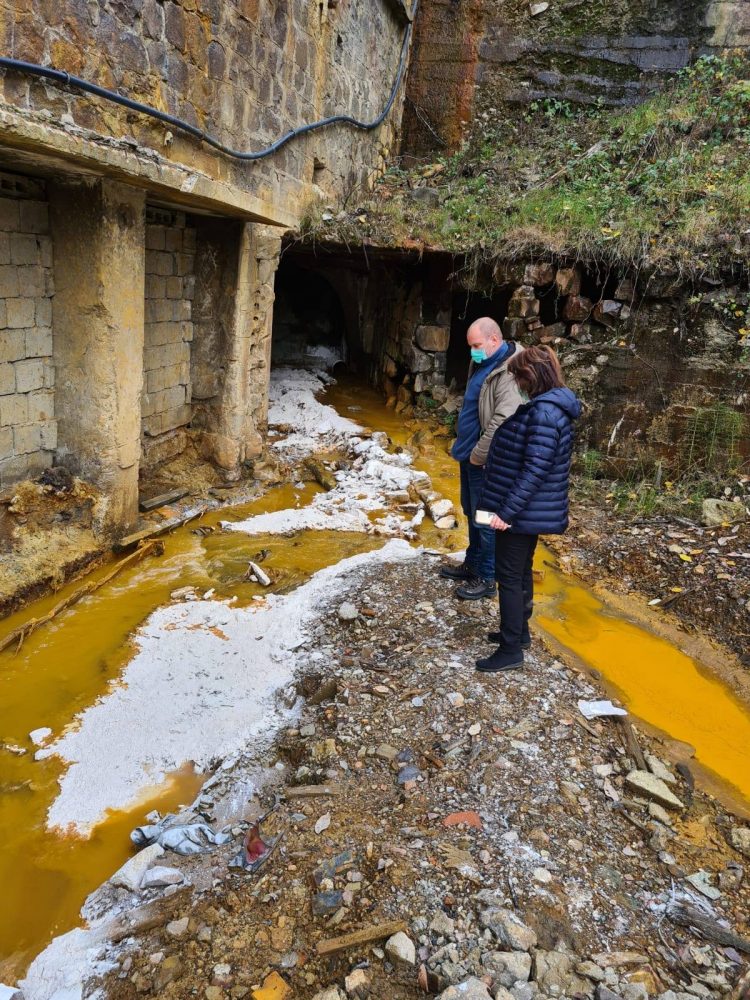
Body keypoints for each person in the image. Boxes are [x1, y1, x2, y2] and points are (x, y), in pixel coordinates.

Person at [475, 345, 581, 673]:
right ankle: (518, 634)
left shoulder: (544, 413)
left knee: (508, 575)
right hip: (528, 510)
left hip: (521, 512)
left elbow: (535, 468)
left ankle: (510, 650)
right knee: (520, 570)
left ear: (532, 375)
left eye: (520, 376)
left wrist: (506, 513)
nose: (518, 383)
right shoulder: (548, 407)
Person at [440, 317, 524, 600]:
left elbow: (503, 419)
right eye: (470, 346)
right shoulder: (484, 361)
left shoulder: (509, 371)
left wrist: (478, 454)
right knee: (470, 511)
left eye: (476, 345)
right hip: (470, 455)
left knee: (485, 519)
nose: (472, 351)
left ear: (494, 341)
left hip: (486, 460)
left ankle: (487, 578)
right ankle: (472, 564)